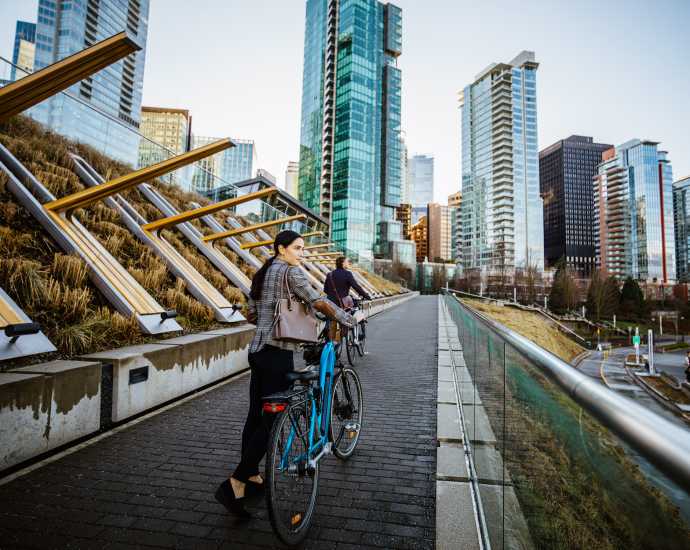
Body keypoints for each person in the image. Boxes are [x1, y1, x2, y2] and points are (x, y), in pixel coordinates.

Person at [215, 230, 355, 518]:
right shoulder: (291, 272)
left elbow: (250, 314)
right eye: (297, 248)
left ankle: (252, 477)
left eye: (303, 249)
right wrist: (346, 319)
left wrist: (272, 313)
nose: (301, 253)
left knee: (256, 416)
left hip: (258, 351)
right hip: (278, 354)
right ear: (281, 248)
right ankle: (235, 482)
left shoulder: (263, 272)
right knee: (272, 419)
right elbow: (318, 301)